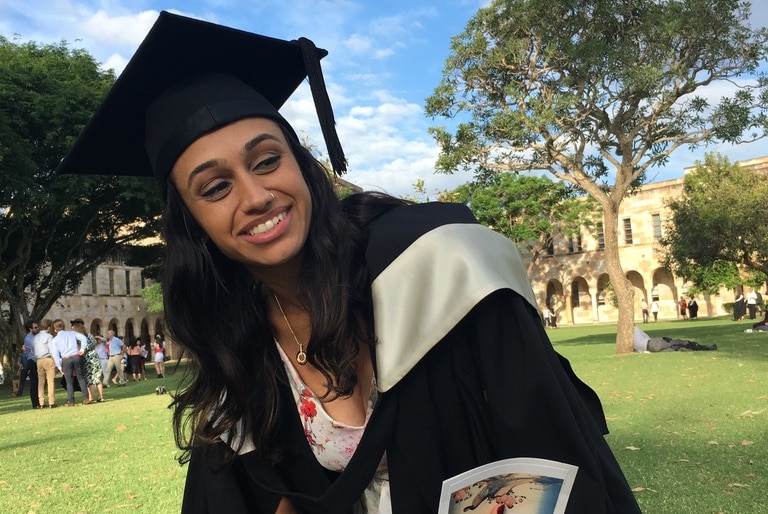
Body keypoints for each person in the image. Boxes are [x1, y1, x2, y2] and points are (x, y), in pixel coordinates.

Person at [58, 12, 640, 513]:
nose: (255, 196)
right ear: (193, 226)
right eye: (215, 188)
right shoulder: (239, 345)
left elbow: (546, 453)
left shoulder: (436, 266)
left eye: (266, 161)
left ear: (302, 164)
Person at [51, 318, 90, 406]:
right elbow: (83, 338)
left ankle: (71, 401)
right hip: (76, 356)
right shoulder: (72, 333)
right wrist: (82, 349)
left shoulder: (55, 340)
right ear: (64, 327)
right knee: (81, 377)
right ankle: (85, 397)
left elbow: (55, 355)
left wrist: (59, 367)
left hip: (66, 359)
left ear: (55, 329)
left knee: (69, 381)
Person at [72, 319, 104, 403]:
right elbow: (93, 343)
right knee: (97, 377)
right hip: (95, 357)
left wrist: (80, 351)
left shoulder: (78, 338)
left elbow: (82, 348)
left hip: (86, 358)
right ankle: (101, 396)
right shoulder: (89, 335)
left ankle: (91, 397)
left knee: (89, 379)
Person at [633, 326, 717, 352]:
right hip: (651, 343)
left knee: (674, 348)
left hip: (649, 349)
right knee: (679, 342)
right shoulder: (634, 328)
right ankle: (704, 347)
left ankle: (700, 348)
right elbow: (647, 337)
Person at [16, 320, 41, 408]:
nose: (37, 329)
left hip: (37, 360)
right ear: (30, 329)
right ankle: (35, 403)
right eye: (35, 327)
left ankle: (40, 401)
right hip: (33, 361)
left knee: (40, 382)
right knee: (34, 382)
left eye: (37, 327)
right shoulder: (29, 339)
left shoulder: (37, 336)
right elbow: (35, 350)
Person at [33, 319, 57, 408]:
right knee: (50, 381)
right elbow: (52, 349)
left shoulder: (35, 337)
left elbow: (33, 349)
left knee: (41, 382)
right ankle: (51, 401)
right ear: (49, 327)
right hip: (48, 358)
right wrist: (56, 360)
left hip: (39, 360)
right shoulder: (49, 337)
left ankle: (41, 402)